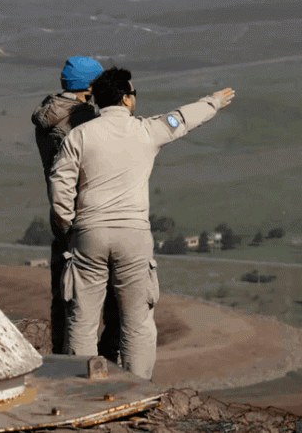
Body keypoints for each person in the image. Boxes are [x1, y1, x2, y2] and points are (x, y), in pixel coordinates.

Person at [49, 67, 235, 379]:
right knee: (136, 321)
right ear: (125, 99)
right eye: (133, 93)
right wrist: (212, 102)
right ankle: (136, 387)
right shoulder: (147, 130)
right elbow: (181, 119)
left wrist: (69, 224)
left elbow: (60, 184)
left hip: (89, 233)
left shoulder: (79, 135)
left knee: (82, 319)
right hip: (133, 237)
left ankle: (80, 387)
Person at [30, 56, 120, 360]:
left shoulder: (50, 113)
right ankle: (102, 368)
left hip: (62, 220)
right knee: (107, 303)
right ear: (90, 87)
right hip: (89, 220)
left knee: (66, 300)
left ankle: (63, 363)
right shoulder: (79, 121)